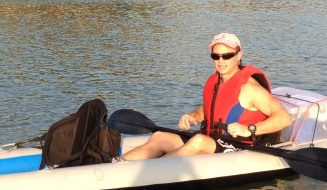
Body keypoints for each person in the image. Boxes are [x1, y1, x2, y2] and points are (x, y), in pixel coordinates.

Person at [121, 32, 292, 160]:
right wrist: (193, 116)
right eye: (215, 56)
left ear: (239, 55)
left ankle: (148, 172)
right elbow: (211, 108)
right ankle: (118, 164)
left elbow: (284, 118)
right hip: (214, 139)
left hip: (240, 146)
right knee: (160, 137)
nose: (221, 61)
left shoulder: (250, 88)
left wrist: (249, 129)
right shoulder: (215, 81)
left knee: (198, 142)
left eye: (227, 56)